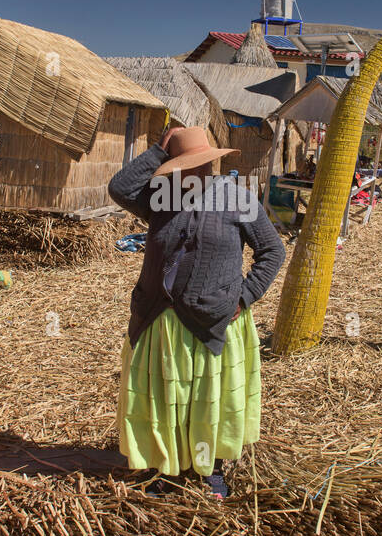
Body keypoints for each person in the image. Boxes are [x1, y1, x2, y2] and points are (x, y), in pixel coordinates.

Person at [108, 126, 285, 499]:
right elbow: (120, 188)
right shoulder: (161, 197)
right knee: (164, 399)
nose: (196, 173)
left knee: (209, 401)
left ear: (212, 164)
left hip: (214, 319)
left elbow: (272, 251)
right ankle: (165, 468)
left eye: (202, 166)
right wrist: (159, 148)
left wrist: (245, 296)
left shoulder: (237, 199)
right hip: (160, 320)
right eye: (186, 167)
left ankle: (211, 471)